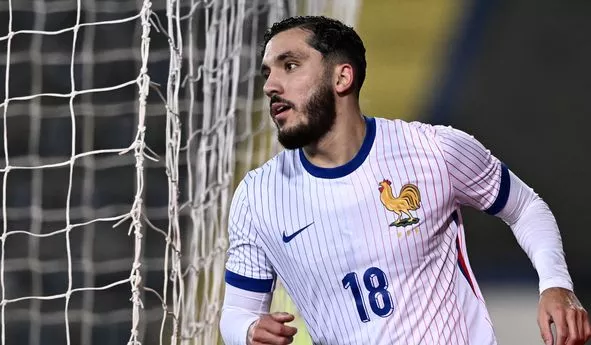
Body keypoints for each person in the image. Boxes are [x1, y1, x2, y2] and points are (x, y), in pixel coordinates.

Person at [218, 15, 591, 345]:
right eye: (267, 72)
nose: (270, 85)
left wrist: (555, 283)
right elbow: (236, 313)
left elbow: (525, 207)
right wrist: (250, 331)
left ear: (342, 77)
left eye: (290, 65)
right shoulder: (257, 197)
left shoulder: (435, 150)